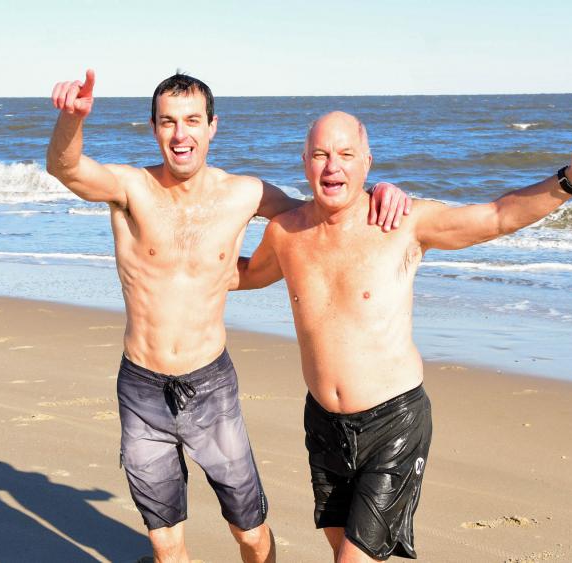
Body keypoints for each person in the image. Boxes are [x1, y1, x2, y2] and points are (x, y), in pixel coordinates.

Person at [235, 111, 572, 561]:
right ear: (304, 160)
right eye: (321, 154)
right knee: (340, 546)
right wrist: (160, 257)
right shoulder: (286, 233)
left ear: (367, 162)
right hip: (324, 424)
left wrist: (571, 180)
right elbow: (246, 274)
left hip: (394, 424)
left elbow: (497, 216)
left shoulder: (403, 223)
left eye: (346, 154)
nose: (333, 166)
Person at [45, 70, 410, 563]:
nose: (181, 135)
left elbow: (323, 210)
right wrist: (72, 121)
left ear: (212, 126)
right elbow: (66, 168)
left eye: (193, 121)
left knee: (250, 530)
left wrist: (380, 190)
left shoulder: (246, 194)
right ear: (153, 127)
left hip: (210, 389)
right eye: (169, 122)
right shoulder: (129, 188)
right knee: (166, 543)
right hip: (142, 390)